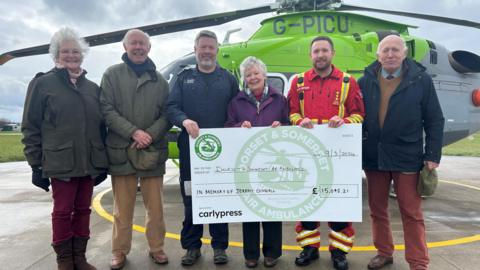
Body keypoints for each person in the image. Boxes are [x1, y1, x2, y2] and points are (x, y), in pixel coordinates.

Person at [21, 27, 108, 270]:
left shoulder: (92, 88)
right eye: (66, 51)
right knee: (62, 212)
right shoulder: (42, 83)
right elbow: (31, 126)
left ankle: (80, 257)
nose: (71, 55)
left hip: (89, 162)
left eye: (76, 51)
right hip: (60, 162)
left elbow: (101, 128)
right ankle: (65, 260)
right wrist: (35, 163)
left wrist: (101, 162)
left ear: (83, 55)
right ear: (56, 54)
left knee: (83, 209)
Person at [358, 35, 444, 270]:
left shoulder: (421, 80)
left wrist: (432, 155)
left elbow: (435, 119)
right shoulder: (364, 81)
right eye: (385, 50)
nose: (390, 54)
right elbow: (355, 118)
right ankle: (384, 252)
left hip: (408, 155)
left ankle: (418, 262)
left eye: (395, 49)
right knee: (377, 209)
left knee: (411, 212)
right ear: (378, 55)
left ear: (405, 54)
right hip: (374, 156)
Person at [287, 36, 365, 270]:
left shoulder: (348, 81)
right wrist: (299, 121)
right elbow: (290, 113)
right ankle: (309, 248)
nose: (320, 55)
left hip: (338, 156)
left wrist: (344, 121)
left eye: (324, 50)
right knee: (308, 204)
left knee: (338, 204)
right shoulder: (298, 81)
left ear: (332, 53)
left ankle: (339, 252)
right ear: (310, 55)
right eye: (316, 51)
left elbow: (359, 114)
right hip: (307, 155)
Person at [100, 29, 171, 269]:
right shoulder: (112, 75)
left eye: (142, 43)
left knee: (156, 207)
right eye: (134, 43)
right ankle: (119, 250)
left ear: (149, 48)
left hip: (152, 151)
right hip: (121, 149)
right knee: (123, 207)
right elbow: (106, 109)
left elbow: (167, 114)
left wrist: (149, 134)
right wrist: (133, 132)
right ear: (125, 47)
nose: (138, 47)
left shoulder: (160, 81)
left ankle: (157, 248)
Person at [166, 30, 239, 266]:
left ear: (217, 50)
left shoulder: (228, 79)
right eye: (202, 47)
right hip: (190, 151)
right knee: (191, 197)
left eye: (210, 47)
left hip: (221, 151)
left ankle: (219, 246)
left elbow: (237, 110)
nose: (207, 51)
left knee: (220, 197)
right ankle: (192, 246)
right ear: (195, 49)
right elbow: (171, 107)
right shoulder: (183, 77)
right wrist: (184, 120)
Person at [225, 56, 289, 268]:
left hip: (273, 162)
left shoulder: (280, 100)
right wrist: (238, 128)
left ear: (264, 74)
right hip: (248, 163)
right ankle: (251, 254)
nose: (252, 78)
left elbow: (290, 125)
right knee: (250, 210)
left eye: (256, 73)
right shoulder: (236, 102)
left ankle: (272, 252)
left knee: (272, 208)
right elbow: (227, 128)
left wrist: (282, 125)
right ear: (244, 78)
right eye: (248, 75)